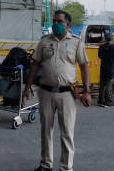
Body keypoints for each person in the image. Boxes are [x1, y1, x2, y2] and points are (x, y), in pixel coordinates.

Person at [23, 10, 91, 171]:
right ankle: (46, 164)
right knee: (46, 130)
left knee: (67, 132)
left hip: (67, 93)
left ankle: (66, 167)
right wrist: (27, 87)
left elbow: (84, 67)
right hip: (45, 92)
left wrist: (87, 91)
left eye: (59, 21)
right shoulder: (44, 41)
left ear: (68, 25)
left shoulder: (76, 42)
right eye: (54, 21)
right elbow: (35, 65)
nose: (56, 24)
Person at [97, 32, 114, 108]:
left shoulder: (101, 46)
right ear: (111, 39)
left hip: (103, 67)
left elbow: (99, 56)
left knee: (102, 84)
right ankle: (108, 101)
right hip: (110, 68)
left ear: (105, 39)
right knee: (109, 84)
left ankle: (100, 101)